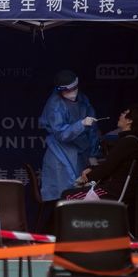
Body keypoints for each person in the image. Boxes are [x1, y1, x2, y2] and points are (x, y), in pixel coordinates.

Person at [63, 106, 138, 203]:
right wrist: (92, 169)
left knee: (67, 196)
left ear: (129, 120)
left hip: (112, 192)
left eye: (124, 113)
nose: (121, 115)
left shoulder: (128, 142)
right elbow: (110, 165)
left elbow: (107, 168)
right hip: (116, 190)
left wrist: (88, 177)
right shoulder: (132, 141)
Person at [38, 69, 100, 205]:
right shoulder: (55, 104)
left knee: (80, 194)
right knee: (63, 196)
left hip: (81, 153)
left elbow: (93, 130)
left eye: (73, 89)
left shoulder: (83, 99)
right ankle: (61, 225)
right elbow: (61, 134)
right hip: (59, 154)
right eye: (66, 91)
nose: (71, 93)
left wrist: (93, 154)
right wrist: (81, 124)